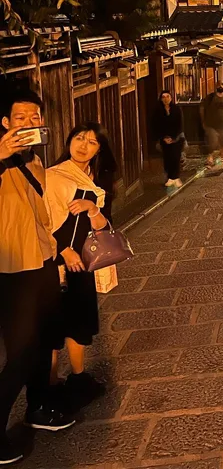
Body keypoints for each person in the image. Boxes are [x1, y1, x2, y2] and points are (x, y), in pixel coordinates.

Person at [0, 91, 75, 464]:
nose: (29, 124)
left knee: (45, 340)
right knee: (20, 352)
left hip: (43, 259)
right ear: (5, 123)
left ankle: (38, 407)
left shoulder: (34, 159)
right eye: (20, 118)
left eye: (34, 117)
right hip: (12, 267)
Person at [45, 123, 114, 408]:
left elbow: (104, 226)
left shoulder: (99, 180)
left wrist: (92, 208)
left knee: (80, 321)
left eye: (92, 142)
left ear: (99, 149)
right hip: (54, 262)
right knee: (52, 326)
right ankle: (49, 383)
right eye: (79, 138)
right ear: (69, 141)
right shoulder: (53, 176)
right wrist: (64, 250)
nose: (83, 146)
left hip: (84, 262)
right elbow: (43, 221)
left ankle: (78, 375)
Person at [200, 81, 223, 172]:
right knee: (213, 141)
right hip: (211, 125)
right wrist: (203, 121)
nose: (220, 86)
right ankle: (209, 159)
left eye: (222, 84)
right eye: (218, 85)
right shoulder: (210, 97)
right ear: (215, 86)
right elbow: (202, 108)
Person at [152, 90, 184, 188]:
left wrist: (173, 137)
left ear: (171, 98)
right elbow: (156, 125)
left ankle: (176, 177)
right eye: (163, 97)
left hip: (176, 138)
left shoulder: (176, 109)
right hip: (164, 139)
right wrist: (163, 137)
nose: (166, 99)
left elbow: (180, 124)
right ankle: (170, 177)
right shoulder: (158, 111)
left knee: (175, 157)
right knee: (167, 158)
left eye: (167, 96)